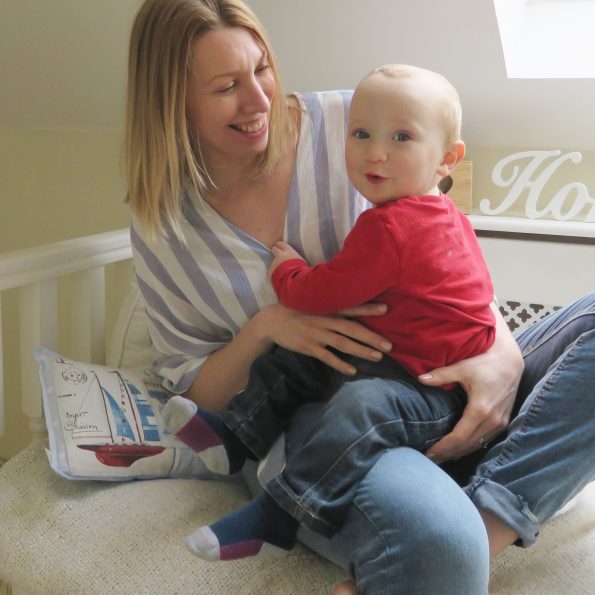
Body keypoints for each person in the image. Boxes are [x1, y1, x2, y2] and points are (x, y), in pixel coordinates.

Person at [125, 1, 595, 593]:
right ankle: (448, 530)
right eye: (225, 87)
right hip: (329, 416)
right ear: (173, 102)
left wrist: (499, 357)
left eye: (262, 69)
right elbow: (194, 390)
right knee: (440, 546)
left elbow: (449, 266)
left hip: (439, 369)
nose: (259, 100)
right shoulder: (164, 226)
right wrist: (269, 326)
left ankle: (491, 520)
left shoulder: (359, 119)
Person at [161, 63, 498, 562]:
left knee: (356, 407)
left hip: (431, 391)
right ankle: (237, 436)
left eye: (401, 137)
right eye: (361, 134)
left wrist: (287, 270)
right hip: (405, 361)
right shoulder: (440, 212)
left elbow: (319, 295)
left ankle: (280, 513)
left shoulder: (390, 227)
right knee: (303, 354)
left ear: (447, 159)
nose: (375, 152)